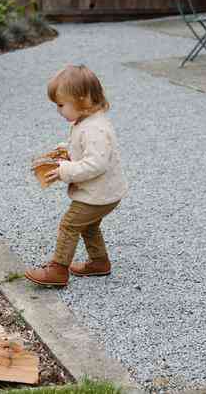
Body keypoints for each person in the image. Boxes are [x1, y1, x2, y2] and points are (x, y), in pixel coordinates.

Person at [25, 64, 128, 287]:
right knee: (88, 225)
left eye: (61, 105)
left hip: (98, 193)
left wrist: (65, 170)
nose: (58, 110)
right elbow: (84, 149)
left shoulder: (95, 129)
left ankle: (58, 271)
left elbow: (96, 164)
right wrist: (66, 150)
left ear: (81, 100)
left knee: (69, 225)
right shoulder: (85, 121)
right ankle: (100, 262)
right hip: (103, 191)